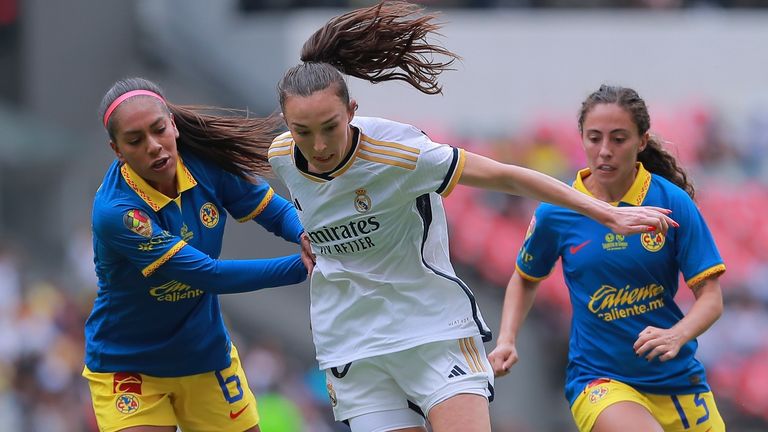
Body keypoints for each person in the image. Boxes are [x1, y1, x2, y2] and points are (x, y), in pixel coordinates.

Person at [267, 3, 677, 431]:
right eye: (303, 131)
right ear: (286, 123)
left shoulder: (403, 154)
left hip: (431, 331)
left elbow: (509, 177)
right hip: (354, 347)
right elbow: (311, 206)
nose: (318, 145)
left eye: (330, 127)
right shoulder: (281, 156)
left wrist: (604, 212)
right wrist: (304, 231)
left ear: (352, 111)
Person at [488, 85, 726, 432]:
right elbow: (525, 277)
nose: (604, 152)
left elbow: (711, 298)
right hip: (599, 380)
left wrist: (677, 335)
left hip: (677, 380)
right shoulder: (559, 210)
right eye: (594, 138)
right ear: (581, 139)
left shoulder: (671, 201)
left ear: (641, 141)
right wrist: (507, 338)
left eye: (618, 139)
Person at [82, 77, 314, 432]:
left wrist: (307, 236)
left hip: (204, 357)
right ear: (117, 151)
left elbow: (275, 212)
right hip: (130, 366)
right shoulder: (118, 211)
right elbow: (207, 274)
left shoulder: (205, 166)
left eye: (159, 130)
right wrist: (303, 266)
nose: (154, 146)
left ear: (172, 125)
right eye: (135, 140)